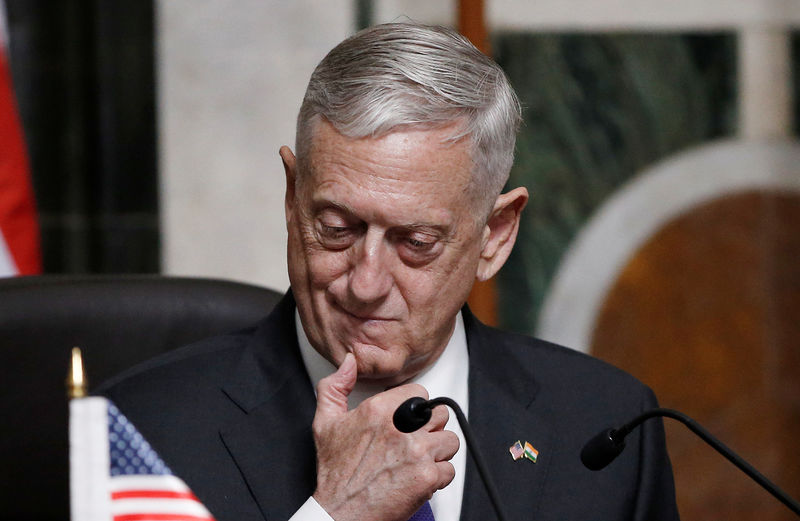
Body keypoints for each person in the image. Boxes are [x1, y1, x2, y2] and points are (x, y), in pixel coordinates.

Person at [99, 22, 679, 521]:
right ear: (291, 198)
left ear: (494, 237)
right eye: (337, 228)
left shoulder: (609, 426)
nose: (365, 283)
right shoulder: (140, 435)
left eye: (416, 242)